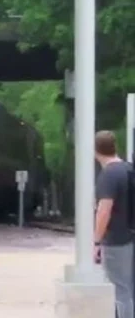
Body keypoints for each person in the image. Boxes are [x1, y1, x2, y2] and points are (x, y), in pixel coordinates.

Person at [94, 130, 133, 318]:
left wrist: (96, 241)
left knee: (120, 290)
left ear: (96, 151)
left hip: (117, 240)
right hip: (132, 235)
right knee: (130, 288)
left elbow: (104, 211)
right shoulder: (129, 169)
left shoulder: (108, 175)